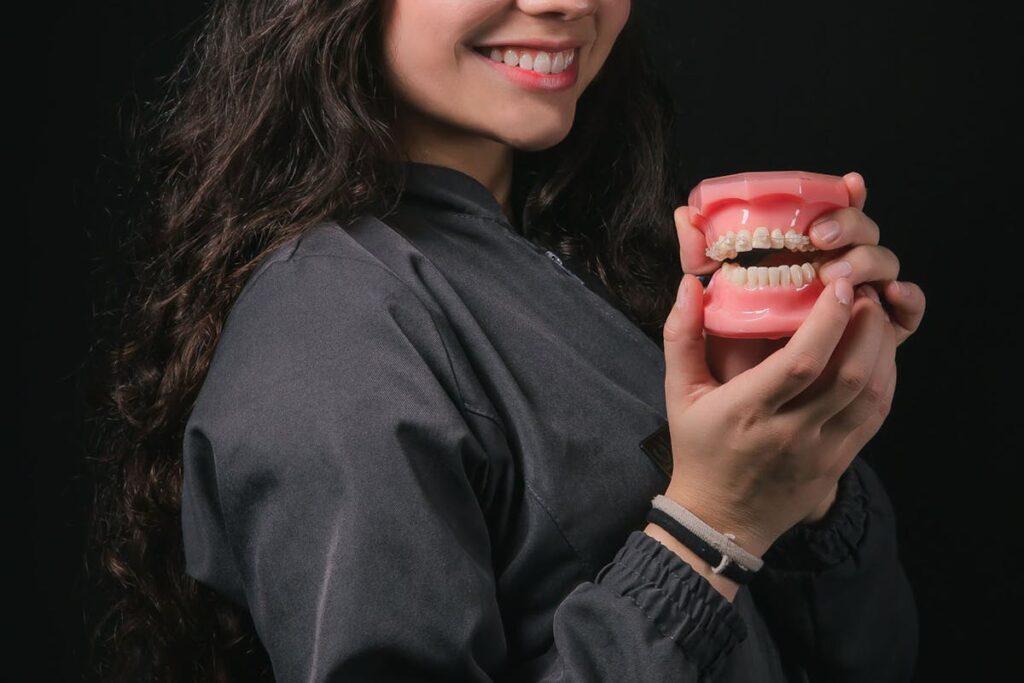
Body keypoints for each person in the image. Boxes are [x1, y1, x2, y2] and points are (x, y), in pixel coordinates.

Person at [83, 0, 926, 681]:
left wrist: (806, 457)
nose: (565, 3)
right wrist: (709, 530)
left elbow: (868, 656)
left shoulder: (590, 258)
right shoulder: (330, 325)